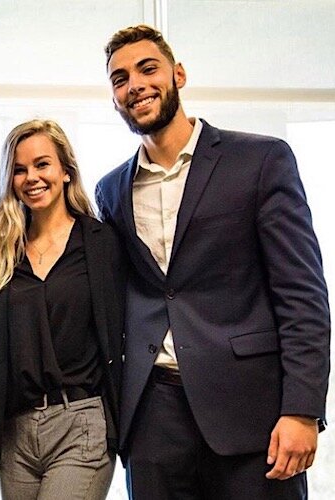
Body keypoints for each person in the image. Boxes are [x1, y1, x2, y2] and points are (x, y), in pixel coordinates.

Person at [95, 25, 330, 499]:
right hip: (152, 415)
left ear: (178, 74)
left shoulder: (260, 159)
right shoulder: (111, 190)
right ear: (115, 99)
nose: (134, 84)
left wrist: (302, 409)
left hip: (251, 411)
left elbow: (302, 294)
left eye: (147, 68)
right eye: (120, 79)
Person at [0, 119, 125, 499]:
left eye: (42, 164)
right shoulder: (1, 252)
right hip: (16, 432)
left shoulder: (101, 243)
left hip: (80, 422)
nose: (32, 177)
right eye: (19, 169)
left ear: (66, 171)